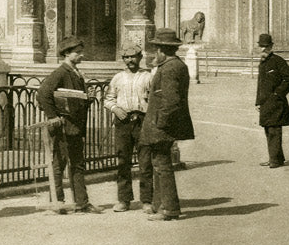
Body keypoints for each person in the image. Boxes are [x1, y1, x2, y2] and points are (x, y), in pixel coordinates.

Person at [139, 28, 194, 220]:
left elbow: (171, 101)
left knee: (162, 166)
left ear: (162, 50)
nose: (155, 54)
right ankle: (161, 204)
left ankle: (169, 209)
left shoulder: (170, 68)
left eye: (156, 50)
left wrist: (158, 123)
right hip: (163, 125)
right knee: (160, 164)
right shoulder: (176, 66)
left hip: (161, 127)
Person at [37, 38, 97, 214]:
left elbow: (74, 98)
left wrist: (88, 98)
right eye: (77, 52)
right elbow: (43, 93)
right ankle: (58, 202)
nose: (81, 55)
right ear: (66, 54)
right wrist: (53, 116)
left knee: (77, 164)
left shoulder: (75, 72)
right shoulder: (61, 72)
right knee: (59, 164)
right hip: (64, 127)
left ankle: (81, 203)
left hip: (75, 126)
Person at [104, 47, 154, 213]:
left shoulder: (148, 77)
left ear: (140, 57)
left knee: (145, 162)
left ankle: (147, 200)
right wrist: (116, 109)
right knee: (123, 161)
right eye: (126, 57)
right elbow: (108, 99)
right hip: (122, 122)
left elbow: (154, 100)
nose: (130, 60)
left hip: (142, 121)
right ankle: (124, 200)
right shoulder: (118, 78)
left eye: (133, 56)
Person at [255, 33, 289, 168]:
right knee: (268, 130)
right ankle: (276, 157)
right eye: (261, 47)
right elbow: (260, 85)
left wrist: (278, 93)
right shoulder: (262, 63)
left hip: (276, 103)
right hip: (266, 103)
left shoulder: (278, 61)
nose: (263, 50)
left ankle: (275, 160)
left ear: (271, 46)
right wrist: (258, 102)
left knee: (274, 131)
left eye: (266, 47)